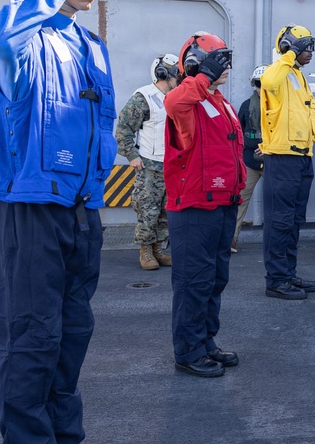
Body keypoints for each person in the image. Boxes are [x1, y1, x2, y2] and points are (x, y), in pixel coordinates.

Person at [0, 0, 126, 444]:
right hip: (32, 206)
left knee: (69, 338)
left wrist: (94, 190)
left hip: (79, 208)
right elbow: (1, 34)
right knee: (31, 339)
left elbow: (104, 120)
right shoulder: (20, 35)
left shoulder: (89, 45)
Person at [163, 32, 245, 378]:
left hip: (222, 203)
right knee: (193, 282)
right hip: (195, 207)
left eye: (224, 61)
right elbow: (173, 103)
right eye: (216, 62)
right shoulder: (189, 101)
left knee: (214, 279)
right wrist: (203, 77)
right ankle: (188, 350)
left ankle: (205, 340)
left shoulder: (217, 101)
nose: (223, 68)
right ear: (196, 64)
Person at [259, 25, 315, 300]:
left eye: (310, 47)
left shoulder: (296, 75)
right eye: (304, 47)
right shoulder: (278, 72)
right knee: (279, 221)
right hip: (282, 157)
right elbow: (268, 82)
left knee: (294, 220)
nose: (309, 52)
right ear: (288, 47)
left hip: (301, 157)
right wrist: (287, 54)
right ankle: (276, 280)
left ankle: (288, 272)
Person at [114, 54, 179, 270]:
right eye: (176, 75)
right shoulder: (143, 97)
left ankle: (159, 249)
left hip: (171, 164)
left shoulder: (177, 96)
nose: (179, 78)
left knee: (167, 211)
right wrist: (132, 156)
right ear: (163, 75)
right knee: (148, 210)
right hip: (150, 166)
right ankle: (146, 251)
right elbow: (123, 128)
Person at [232, 64, 267, 252]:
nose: (262, 88)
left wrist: (268, 146)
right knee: (240, 201)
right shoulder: (246, 106)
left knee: (277, 202)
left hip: (274, 160)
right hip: (250, 162)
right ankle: (231, 239)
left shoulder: (281, 106)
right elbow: (239, 133)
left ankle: (277, 241)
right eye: (259, 84)